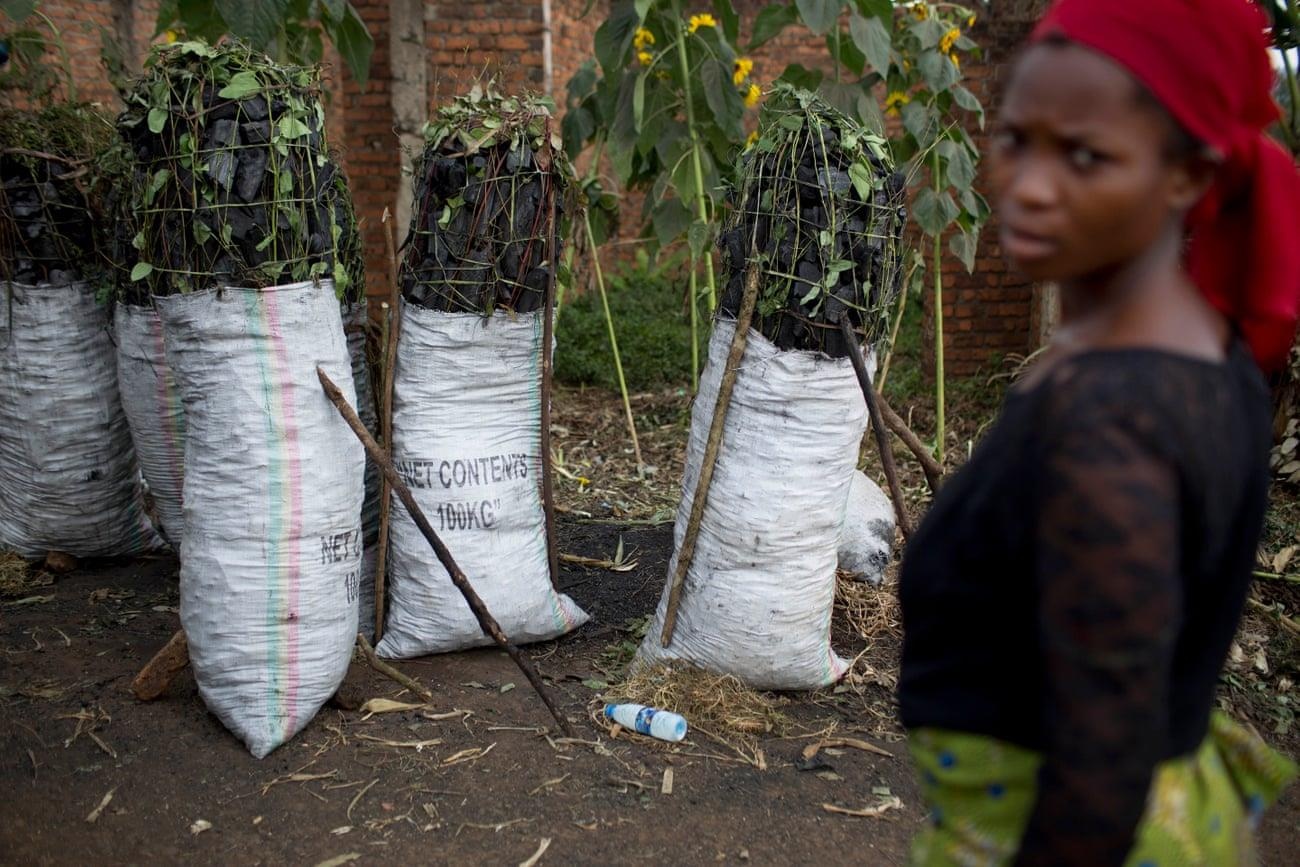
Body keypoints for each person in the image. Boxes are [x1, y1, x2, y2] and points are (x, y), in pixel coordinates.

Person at [898, 0, 1300, 863]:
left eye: (1085, 155)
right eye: (1015, 139)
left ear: (1188, 175)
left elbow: (1103, 757)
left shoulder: (1109, 427)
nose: (1029, 184)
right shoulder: (1201, 351)